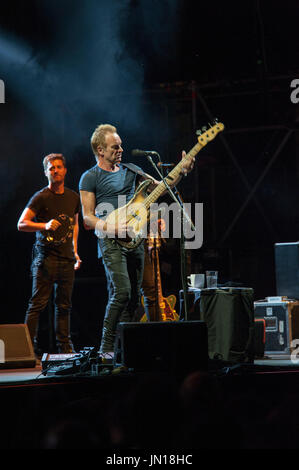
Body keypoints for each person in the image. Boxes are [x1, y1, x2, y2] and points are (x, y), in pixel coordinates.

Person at [79, 123, 194, 359]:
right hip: (110, 240)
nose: (120, 150)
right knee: (121, 292)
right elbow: (88, 218)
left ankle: (127, 350)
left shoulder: (132, 170)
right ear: (100, 150)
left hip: (137, 238)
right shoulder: (89, 177)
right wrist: (111, 226)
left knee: (133, 298)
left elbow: (162, 188)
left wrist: (181, 171)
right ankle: (106, 349)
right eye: (115, 147)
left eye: (121, 145)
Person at [17, 153, 81, 357]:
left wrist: (76, 252)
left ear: (65, 170)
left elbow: (75, 225)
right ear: (46, 172)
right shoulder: (41, 196)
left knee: (64, 305)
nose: (55, 170)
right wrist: (44, 225)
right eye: (51, 168)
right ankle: (28, 349)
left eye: (59, 167)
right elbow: (21, 223)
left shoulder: (73, 197)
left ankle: (65, 349)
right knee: (37, 304)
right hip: (45, 259)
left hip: (66, 259)